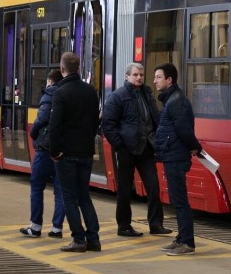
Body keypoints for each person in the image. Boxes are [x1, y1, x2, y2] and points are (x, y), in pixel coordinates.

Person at [102, 62, 172, 237]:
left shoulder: (147, 94)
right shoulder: (118, 96)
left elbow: (155, 118)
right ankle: (124, 226)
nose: (139, 77)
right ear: (127, 76)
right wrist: (119, 146)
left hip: (147, 148)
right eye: (135, 75)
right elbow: (108, 124)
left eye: (141, 74)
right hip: (127, 150)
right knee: (125, 190)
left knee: (153, 187)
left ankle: (156, 225)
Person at [48, 52, 102, 253]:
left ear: (62, 70)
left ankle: (78, 239)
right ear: (78, 68)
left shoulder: (60, 93)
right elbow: (95, 122)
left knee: (69, 197)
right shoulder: (90, 91)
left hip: (66, 154)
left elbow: (54, 126)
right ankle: (94, 239)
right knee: (84, 196)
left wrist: (54, 151)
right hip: (86, 152)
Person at [153, 63, 202, 256]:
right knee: (177, 199)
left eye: (158, 77)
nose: (155, 80)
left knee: (180, 201)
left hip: (175, 156)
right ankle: (181, 238)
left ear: (169, 80)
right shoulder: (172, 99)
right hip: (171, 154)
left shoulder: (176, 101)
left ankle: (187, 242)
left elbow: (184, 130)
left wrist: (196, 148)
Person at [20, 69, 65, 238]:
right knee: (60, 191)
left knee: (37, 187)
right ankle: (57, 229)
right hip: (62, 150)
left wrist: (33, 134)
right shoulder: (68, 94)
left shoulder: (49, 94)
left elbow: (41, 119)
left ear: (50, 81)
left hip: (45, 149)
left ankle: (36, 226)